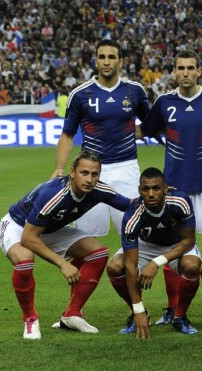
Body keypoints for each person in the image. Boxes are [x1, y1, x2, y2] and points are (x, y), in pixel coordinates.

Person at [0, 151, 131, 339]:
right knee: (25, 260)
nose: (89, 179)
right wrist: (63, 263)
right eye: (84, 173)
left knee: (98, 253)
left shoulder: (100, 190)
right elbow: (28, 238)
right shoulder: (54, 194)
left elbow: (130, 205)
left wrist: (161, 197)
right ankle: (30, 319)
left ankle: (72, 315)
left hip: (50, 229)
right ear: (72, 172)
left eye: (94, 174)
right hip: (19, 227)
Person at [141, 50, 202, 325]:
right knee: (174, 246)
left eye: (191, 67)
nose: (186, 72)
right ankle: (173, 308)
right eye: (181, 68)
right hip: (174, 189)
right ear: (174, 72)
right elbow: (146, 129)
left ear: (199, 71)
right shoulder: (165, 102)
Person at [52, 39, 149, 237]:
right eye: (102, 57)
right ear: (96, 61)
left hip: (127, 169)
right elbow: (67, 135)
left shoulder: (134, 90)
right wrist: (60, 168)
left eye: (111, 57)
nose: (106, 61)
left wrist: (132, 132)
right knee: (86, 237)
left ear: (120, 62)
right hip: (90, 172)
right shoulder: (80, 94)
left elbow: (150, 124)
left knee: (134, 232)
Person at [106, 168, 201, 338]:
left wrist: (156, 262)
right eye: (146, 189)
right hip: (145, 245)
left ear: (165, 189)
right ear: (139, 190)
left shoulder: (180, 201)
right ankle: (139, 313)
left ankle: (180, 316)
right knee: (115, 267)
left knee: (192, 266)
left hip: (176, 244)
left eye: (156, 188)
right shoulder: (132, 214)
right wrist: (138, 309)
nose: (150, 194)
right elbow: (130, 263)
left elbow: (188, 241)